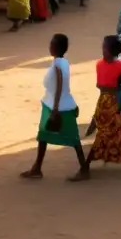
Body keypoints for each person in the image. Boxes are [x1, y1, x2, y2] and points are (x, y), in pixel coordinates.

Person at [21, 34, 89, 180]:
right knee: (44, 136)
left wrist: (56, 108)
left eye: (52, 44)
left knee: (72, 139)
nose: (49, 46)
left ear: (56, 48)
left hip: (59, 107)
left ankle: (84, 169)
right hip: (54, 103)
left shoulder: (57, 64)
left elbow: (59, 85)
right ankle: (37, 168)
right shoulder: (63, 62)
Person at [86, 35, 121, 170]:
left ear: (112, 50)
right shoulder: (102, 64)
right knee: (115, 135)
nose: (102, 49)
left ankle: (85, 166)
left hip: (113, 104)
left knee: (105, 134)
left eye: (105, 47)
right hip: (104, 102)